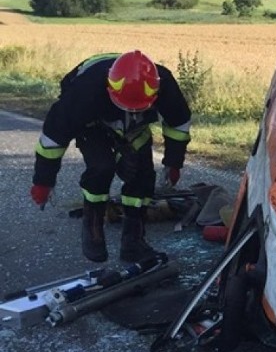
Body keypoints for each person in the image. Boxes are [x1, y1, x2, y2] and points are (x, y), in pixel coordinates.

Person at [30, 51, 191, 263]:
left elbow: (178, 124)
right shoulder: (83, 93)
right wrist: (43, 182)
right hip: (94, 124)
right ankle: (93, 229)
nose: (132, 111)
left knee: (142, 176)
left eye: (137, 108)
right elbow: (52, 140)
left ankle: (134, 242)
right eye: (127, 107)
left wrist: (173, 162)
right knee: (101, 167)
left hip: (135, 130)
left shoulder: (164, 83)